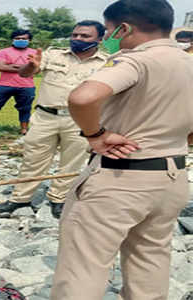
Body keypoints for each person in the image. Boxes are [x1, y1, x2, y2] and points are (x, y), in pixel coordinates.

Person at [50, 1, 193, 299]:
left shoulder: (134, 60)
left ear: (124, 28)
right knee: (150, 258)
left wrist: (96, 135)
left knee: (84, 265)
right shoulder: (188, 62)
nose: (107, 39)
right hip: (172, 177)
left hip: (121, 178)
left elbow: (83, 97)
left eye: (110, 31)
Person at [0, 21, 107, 218]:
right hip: (45, 116)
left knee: (71, 163)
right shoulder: (53, 54)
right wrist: (30, 66)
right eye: (75, 35)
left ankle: (59, 199)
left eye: (85, 36)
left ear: (100, 39)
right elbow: (26, 73)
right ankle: (19, 199)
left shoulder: (106, 62)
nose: (77, 39)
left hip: (80, 121)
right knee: (33, 159)